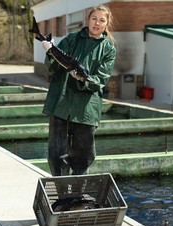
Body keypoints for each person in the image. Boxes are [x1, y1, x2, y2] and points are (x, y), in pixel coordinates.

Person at [41, 5, 116, 176]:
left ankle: (77, 194)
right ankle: (62, 195)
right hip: (61, 104)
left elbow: (101, 80)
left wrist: (83, 79)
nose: (97, 23)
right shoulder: (72, 39)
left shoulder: (109, 49)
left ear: (107, 24)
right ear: (88, 20)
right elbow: (53, 67)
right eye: (94, 18)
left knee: (84, 155)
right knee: (56, 155)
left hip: (86, 109)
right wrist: (49, 52)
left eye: (102, 20)